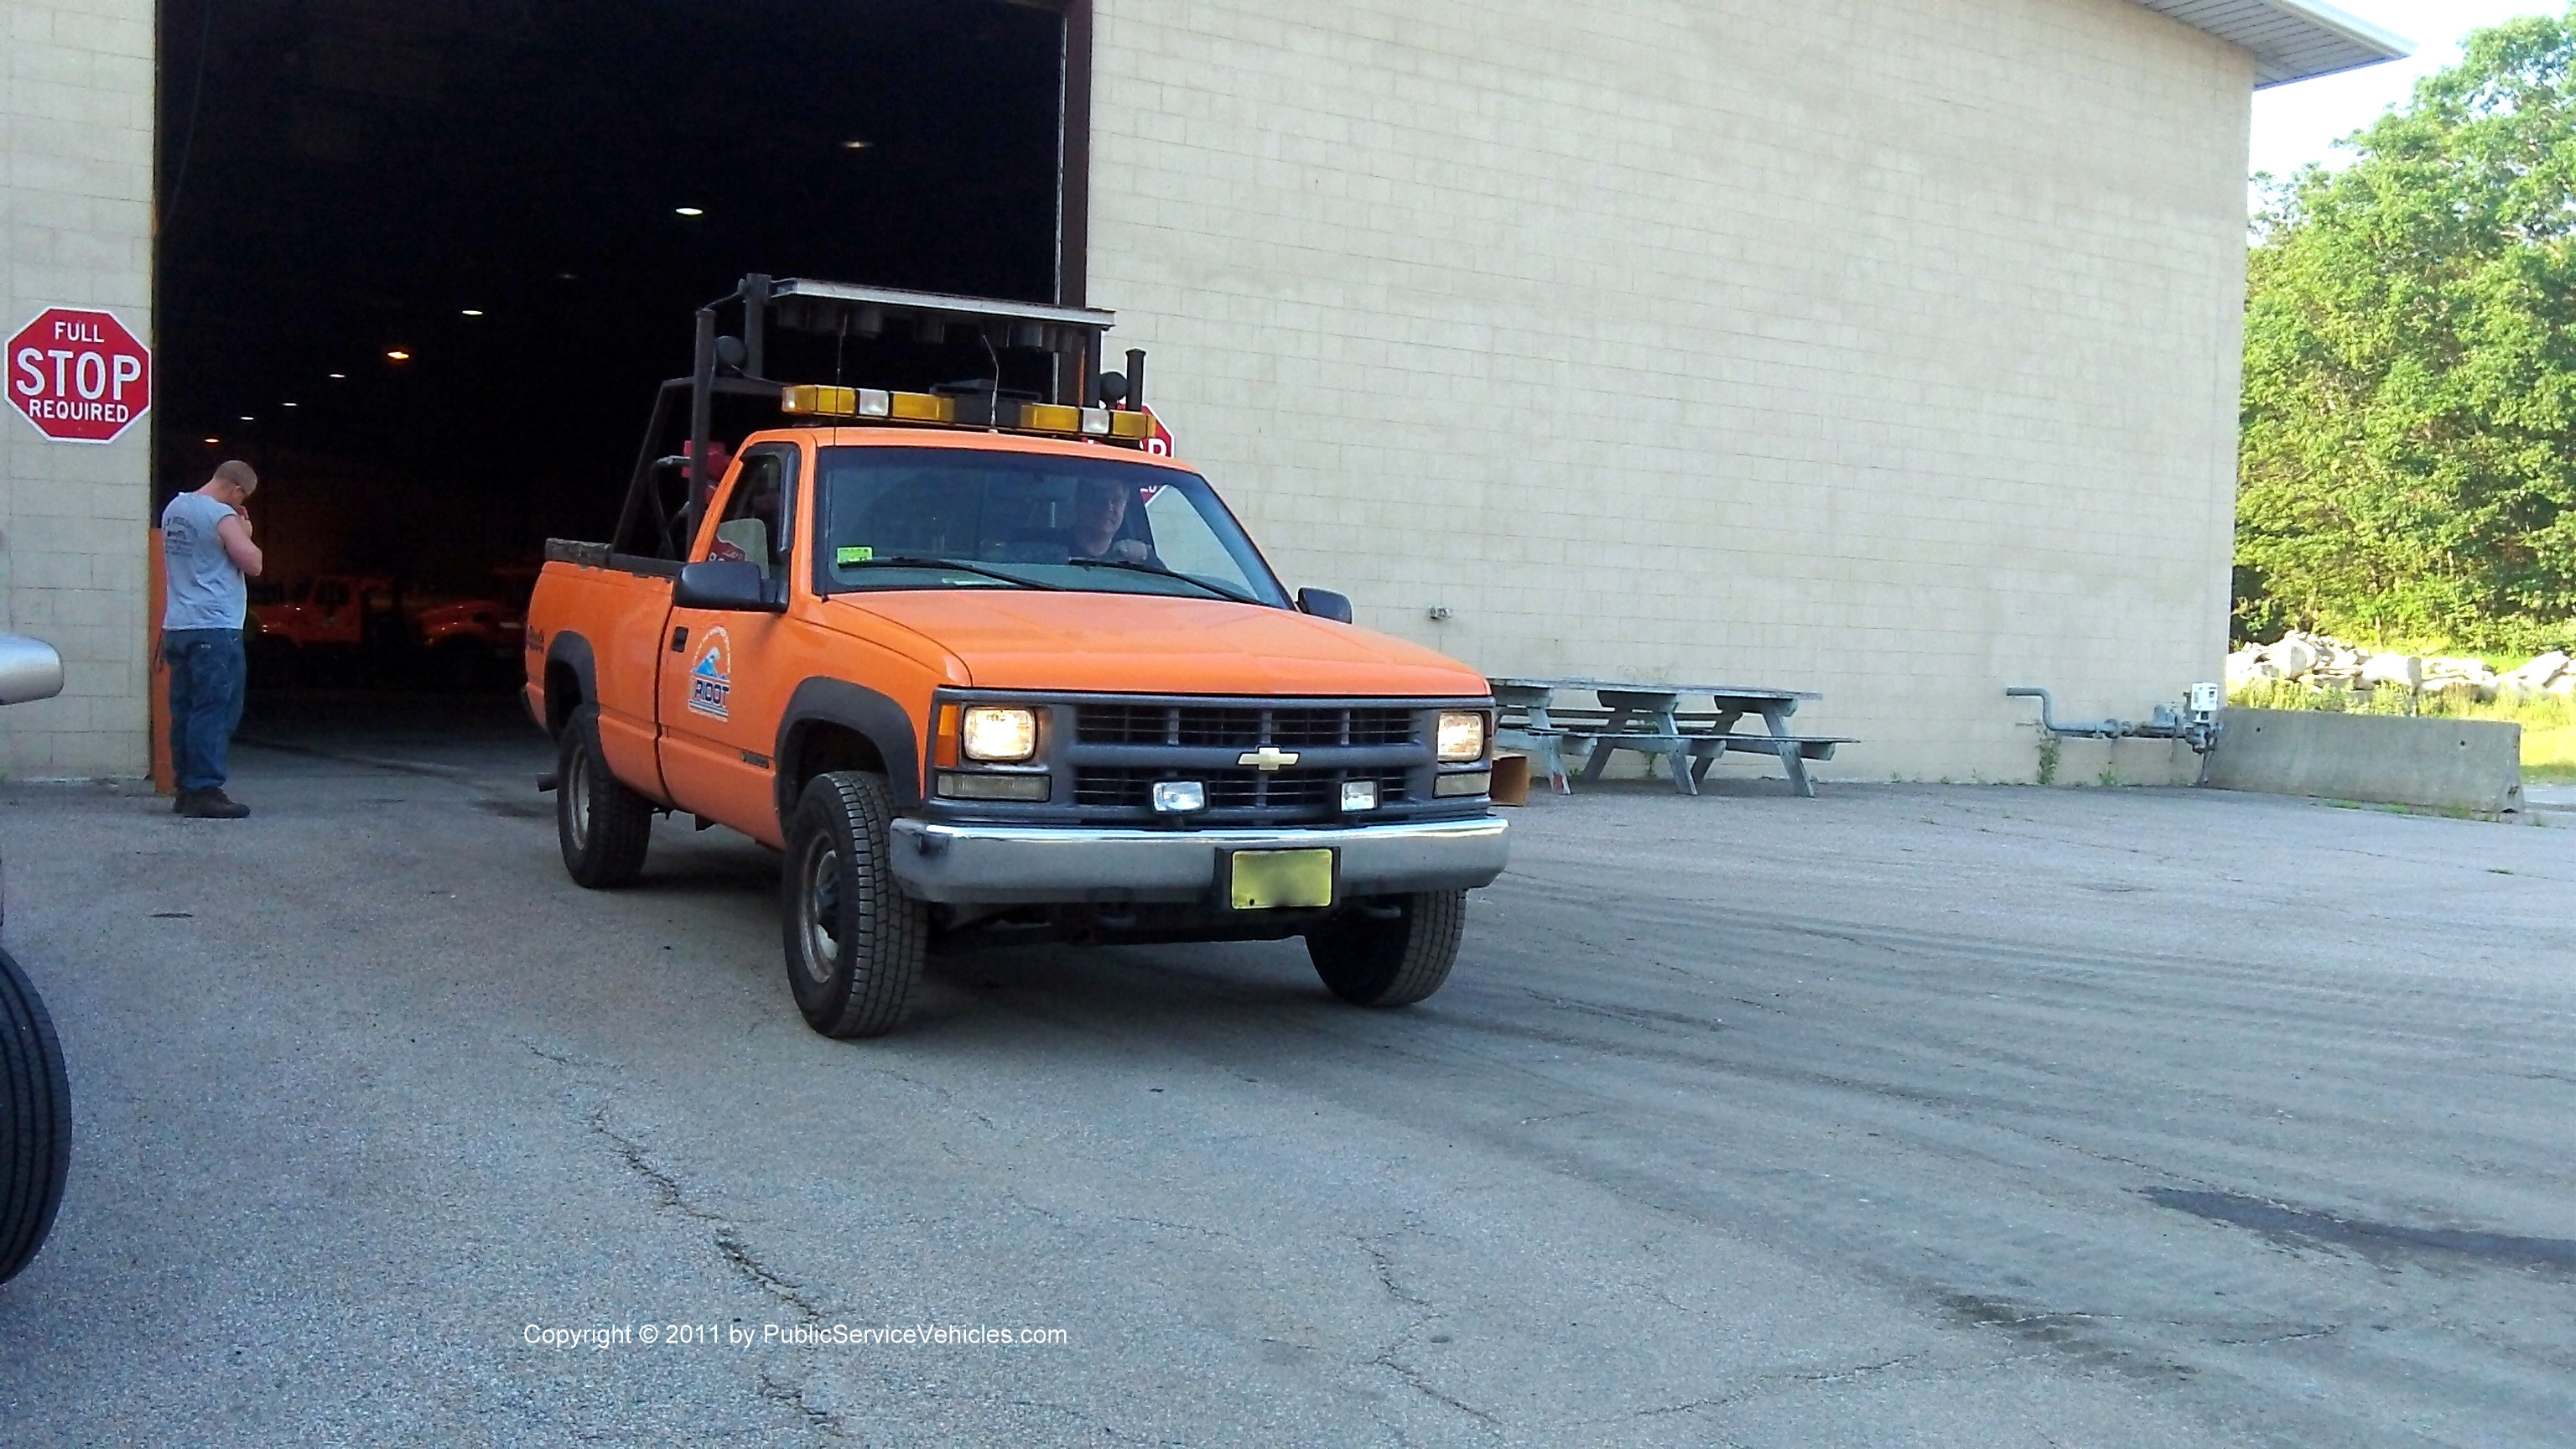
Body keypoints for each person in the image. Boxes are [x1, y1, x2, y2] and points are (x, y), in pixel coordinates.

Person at [161, 460, 264, 818]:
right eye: (244, 496)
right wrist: (246, 531)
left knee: (186, 711)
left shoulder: (175, 508)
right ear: (237, 490)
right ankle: (205, 788)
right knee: (215, 710)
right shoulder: (221, 516)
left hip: (178, 625)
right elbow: (253, 563)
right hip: (215, 626)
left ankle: (185, 789)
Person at [1067, 478, 1152, 564]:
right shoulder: (1055, 549)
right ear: (1080, 503)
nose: (1108, 508)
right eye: (1099, 499)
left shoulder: (1136, 556)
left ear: (1125, 507)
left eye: (1117, 501)